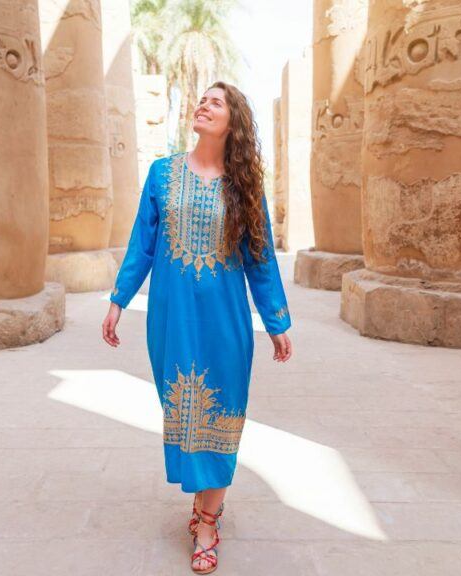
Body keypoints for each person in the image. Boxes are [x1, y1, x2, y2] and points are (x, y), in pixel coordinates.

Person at [101, 80, 293, 574]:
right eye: (202, 100)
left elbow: (261, 257)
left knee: (224, 411)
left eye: (216, 102)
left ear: (234, 121)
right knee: (183, 409)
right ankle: (204, 501)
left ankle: (209, 519)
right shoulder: (162, 174)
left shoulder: (243, 187)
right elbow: (142, 244)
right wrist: (119, 300)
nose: (204, 105)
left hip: (226, 320)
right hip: (172, 318)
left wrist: (275, 321)